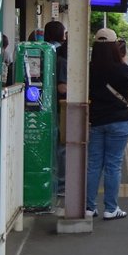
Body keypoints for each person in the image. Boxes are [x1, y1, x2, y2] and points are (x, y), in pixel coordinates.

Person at [85, 27, 128, 220]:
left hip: (96, 121)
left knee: (93, 165)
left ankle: (89, 208)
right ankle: (111, 208)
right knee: (113, 166)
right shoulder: (120, 68)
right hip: (118, 122)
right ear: (114, 46)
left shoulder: (89, 68)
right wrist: (124, 63)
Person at [43, 21, 69, 195]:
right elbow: (62, 87)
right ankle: (60, 184)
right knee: (61, 146)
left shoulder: (43, 50)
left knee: (51, 144)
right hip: (60, 107)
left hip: (44, 104)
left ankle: (51, 181)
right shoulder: (61, 56)